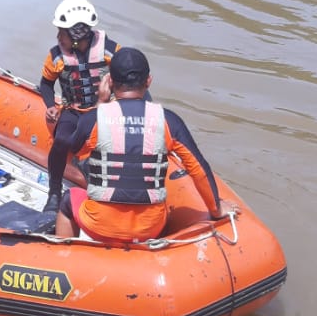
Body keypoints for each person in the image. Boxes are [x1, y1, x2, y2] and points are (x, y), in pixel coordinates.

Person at [55, 48, 238, 243]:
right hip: (151, 228)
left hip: (99, 225)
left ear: (109, 82)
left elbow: (74, 154)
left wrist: (101, 102)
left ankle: (64, 257)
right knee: (162, 203)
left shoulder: (94, 119)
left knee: (68, 200)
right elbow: (199, 169)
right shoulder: (169, 120)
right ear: (148, 81)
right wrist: (216, 209)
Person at [38, 0, 126, 212]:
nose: (58, 36)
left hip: (106, 110)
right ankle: (54, 192)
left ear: (77, 35)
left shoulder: (111, 51)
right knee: (60, 142)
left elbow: (128, 80)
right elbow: (46, 83)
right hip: (74, 110)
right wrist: (50, 104)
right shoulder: (56, 56)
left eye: (62, 32)